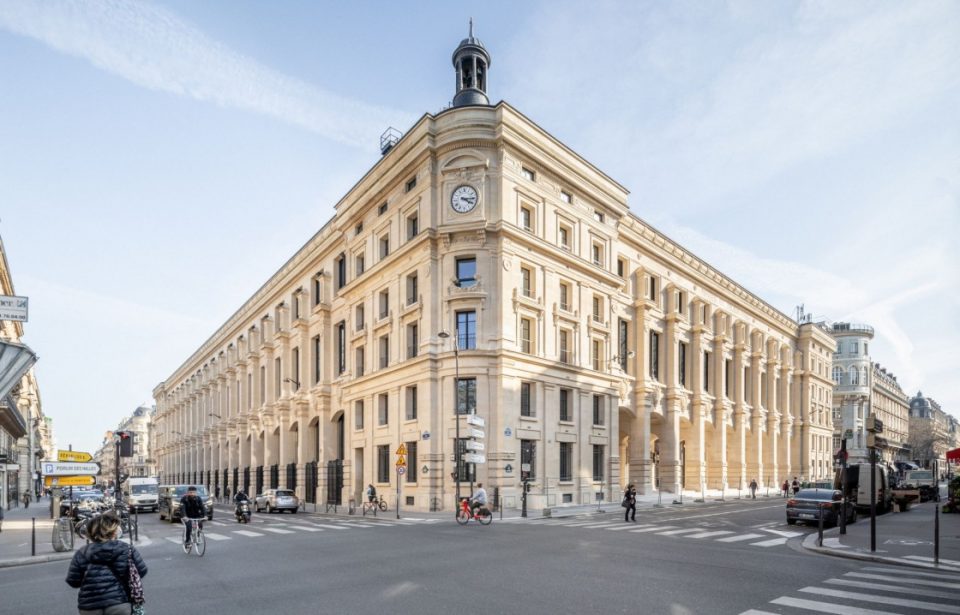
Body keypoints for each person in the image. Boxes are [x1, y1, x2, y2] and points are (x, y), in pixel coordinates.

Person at [66, 510, 148, 615]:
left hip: (89, 607)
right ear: (113, 532)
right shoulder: (126, 549)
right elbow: (141, 571)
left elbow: (73, 581)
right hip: (119, 603)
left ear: (91, 533)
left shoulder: (82, 553)